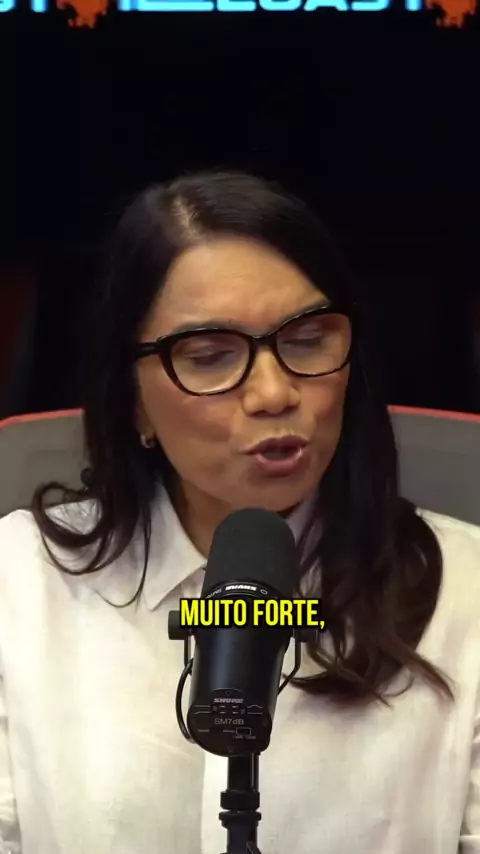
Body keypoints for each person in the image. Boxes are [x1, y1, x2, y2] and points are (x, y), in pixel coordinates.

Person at [0, 170, 479, 854]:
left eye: (308, 339)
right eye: (209, 356)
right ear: (133, 401)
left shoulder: (468, 594)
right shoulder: (19, 583)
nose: (274, 393)